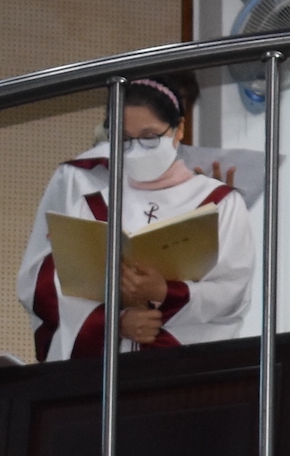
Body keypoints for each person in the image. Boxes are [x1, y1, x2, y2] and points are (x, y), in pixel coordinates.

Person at [14, 76, 259, 360]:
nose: (137, 150)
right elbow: (63, 289)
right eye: (125, 140)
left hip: (186, 362)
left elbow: (233, 289)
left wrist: (166, 292)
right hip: (109, 367)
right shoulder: (93, 204)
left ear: (178, 129)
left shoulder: (220, 202)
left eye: (150, 138)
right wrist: (115, 323)